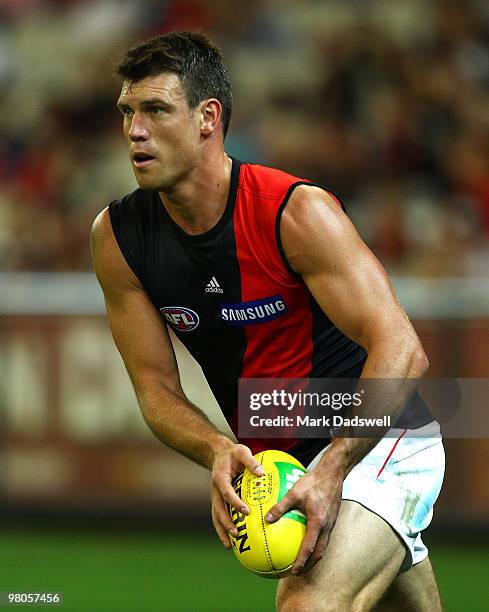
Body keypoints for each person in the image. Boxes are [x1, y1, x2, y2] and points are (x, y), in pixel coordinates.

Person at [91, 31, 445, 611]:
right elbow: (153, 387)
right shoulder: (118, 238)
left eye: (155, 110)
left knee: (306, 604)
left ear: (208, 118)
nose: (134, 130)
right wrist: (214, 448)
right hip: (281, 465)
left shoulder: (294, 211)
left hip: (382, 437)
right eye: (127, 112)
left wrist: (333, 468)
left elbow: (403, 349)